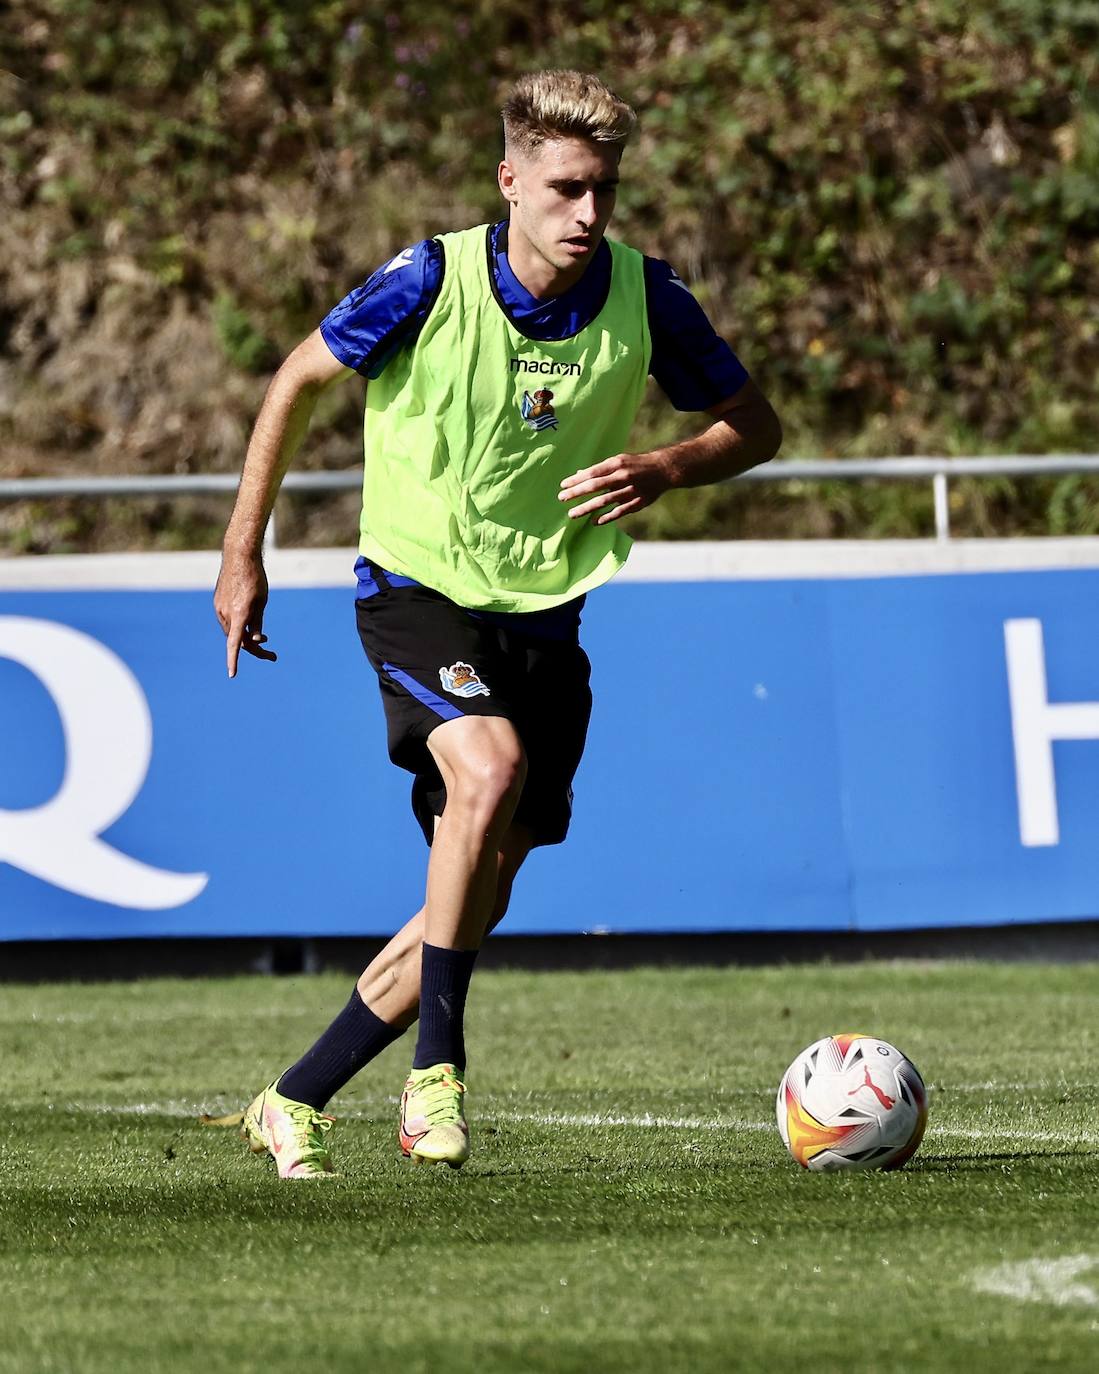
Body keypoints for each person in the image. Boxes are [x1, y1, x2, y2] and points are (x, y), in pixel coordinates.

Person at [213, 69, 782, 1179]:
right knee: (487, 768)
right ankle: (439, 1074)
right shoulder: (428, 279)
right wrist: (243, 550)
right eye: (567, 189)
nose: (589, 214)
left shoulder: (645, 296)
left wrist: (668, 465)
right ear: (510, 180)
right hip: (418, 587)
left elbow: (754, 426)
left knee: (477, 885)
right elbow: (293, 380)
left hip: (546, 617)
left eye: (604, 191)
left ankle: (295, 1096)